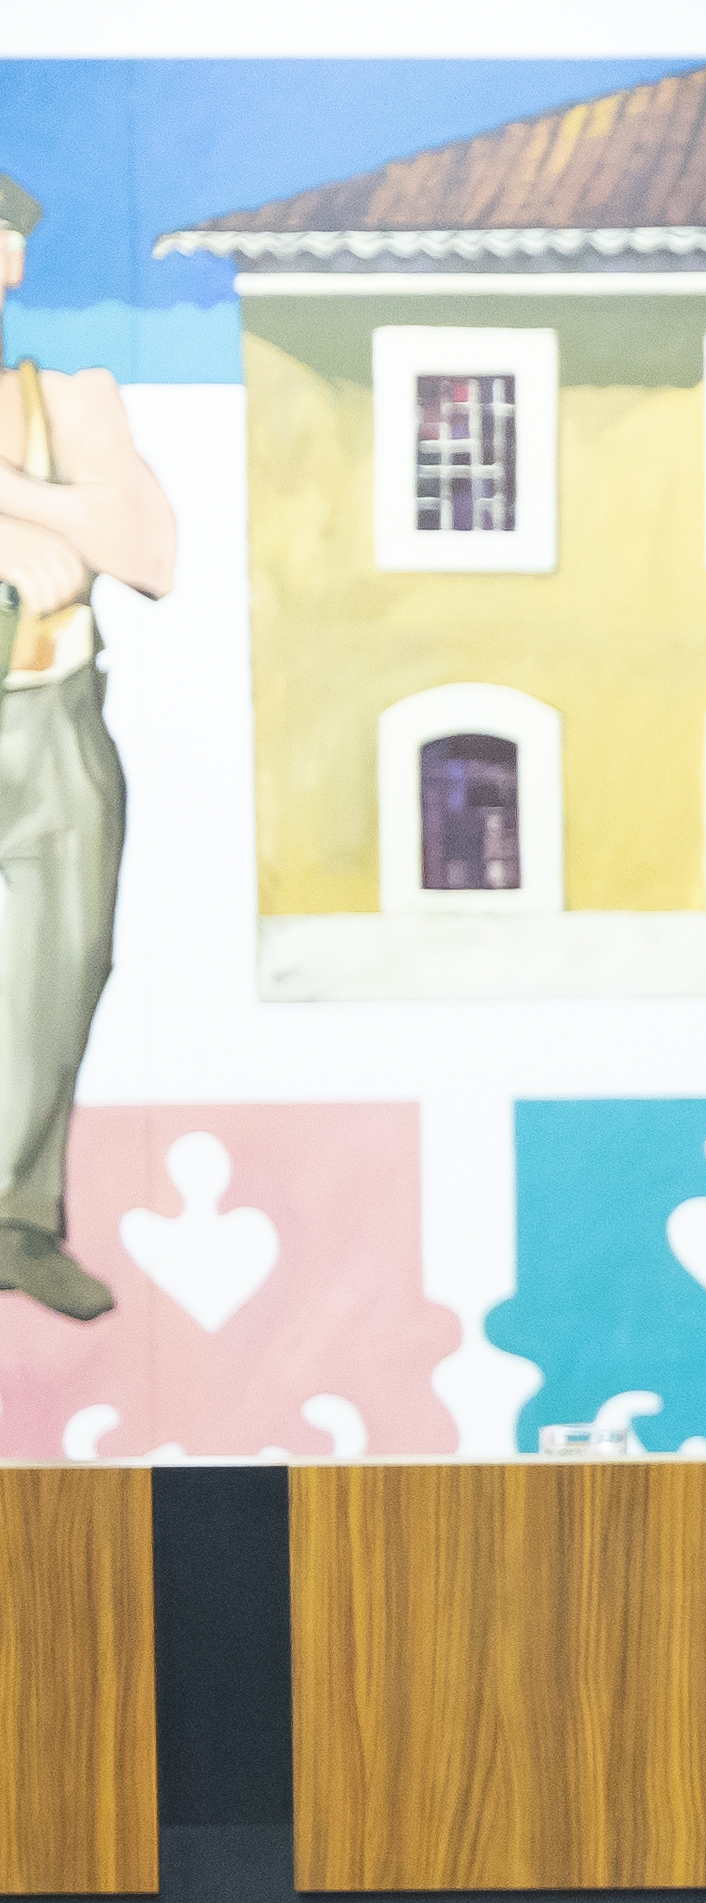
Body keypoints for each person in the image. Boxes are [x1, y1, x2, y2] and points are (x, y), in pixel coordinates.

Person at [0, 169, 179, 1322]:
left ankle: (17, 1219)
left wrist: (13, 496)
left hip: (45, 714)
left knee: (54, 973)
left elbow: (148, 548)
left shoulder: (66, 399)